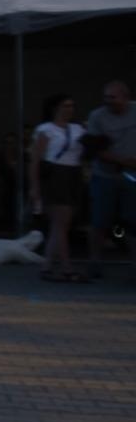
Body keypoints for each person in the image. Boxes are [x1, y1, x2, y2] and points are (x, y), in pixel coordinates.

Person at [30, 92, 86, 282]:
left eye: (72, 106)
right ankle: (66, 266)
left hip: (73, 173)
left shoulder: (78, 129)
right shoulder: (46, 130)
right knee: (60, 222)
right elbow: (35, 160)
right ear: (55, 108)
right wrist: (34, 186)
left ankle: (47, 265)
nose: (69, 110)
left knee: (62, 224)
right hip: (55, 174)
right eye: (65, 106)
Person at [86, 79, 136, 279]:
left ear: (126, 97)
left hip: (132, 177)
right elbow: (95, 149)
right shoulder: (97, 117)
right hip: (105, 175)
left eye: (113, 97)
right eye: (106, 97)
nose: (109, 101)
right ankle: (95, 260)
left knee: (133, 221)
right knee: (100, 220)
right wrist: (124, 161)